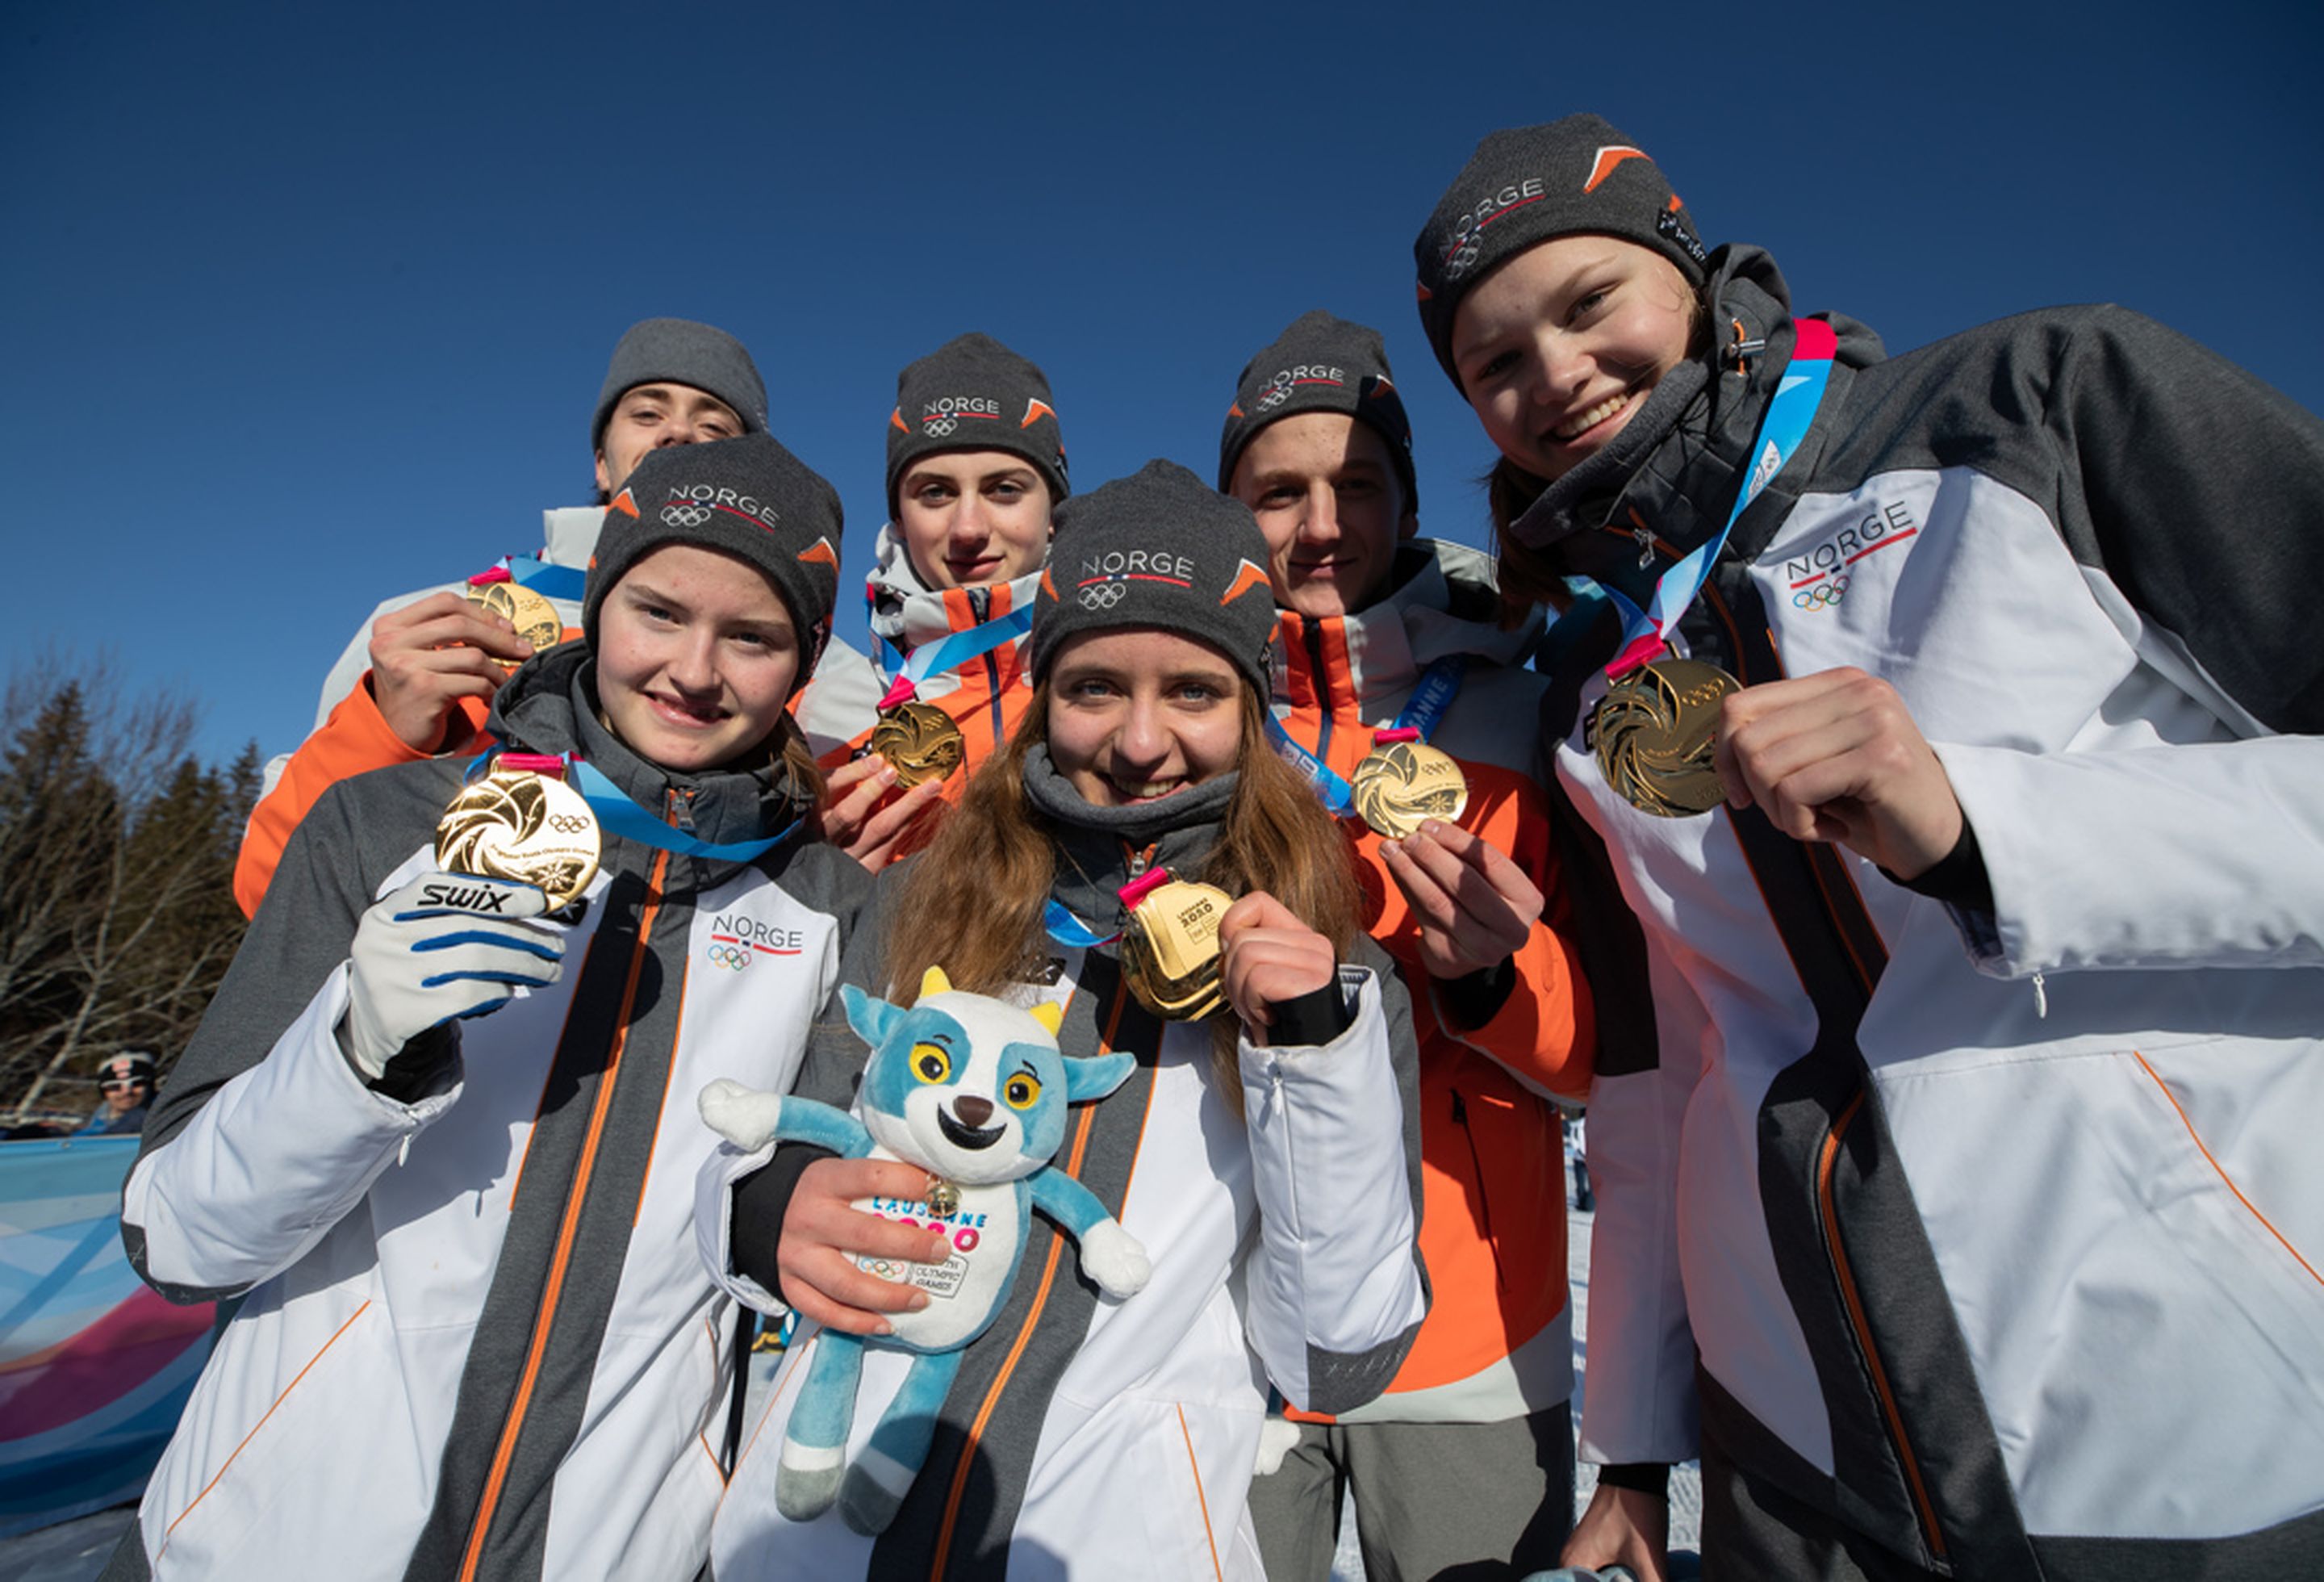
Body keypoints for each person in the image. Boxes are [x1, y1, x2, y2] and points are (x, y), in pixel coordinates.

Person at [1413, 113, 2324, 1579]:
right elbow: (1662, 1092)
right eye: (1495, 364)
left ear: (1698, 279)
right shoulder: (1598, 694)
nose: (1556, 378)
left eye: (1589, 306)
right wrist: (1637, 1452)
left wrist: (1986, 829)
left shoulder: (2039, 406)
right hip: (1809, 1474)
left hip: (2201, 1437)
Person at [110, 434, 873, 1579]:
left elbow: (777, 1233)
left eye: (754, 636)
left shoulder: (832, 908)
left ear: (802, 662)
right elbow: (177, 1239)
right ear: (600, 604)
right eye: (659, 611)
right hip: (274, 1543)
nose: (695, 671)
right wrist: (357, 1056)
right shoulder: (384, 823)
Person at [696, 460, 1430, 1578]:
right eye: (1093, 688)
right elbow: (747, 1164)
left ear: (1255, 707)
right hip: (816, 1539)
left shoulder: (1332, 980)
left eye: (1193, 691)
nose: (1140, 745)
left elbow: (1336, 1363)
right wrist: (764, 1209)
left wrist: (1312, 1053)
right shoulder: (915, 901)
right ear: (1043, 697)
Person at [1218, 310, 1595, 1580]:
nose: (1321, 523)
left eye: (1356, 485)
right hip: (1222, 1321)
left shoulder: (1522, 699)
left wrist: (1490, 976)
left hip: (1473, 1327)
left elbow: (1605, 1057)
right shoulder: (1182, 713)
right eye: (1279, 491)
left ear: (1408, 498)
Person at [234, 316, 880, 915]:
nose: (678, 434)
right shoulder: (427, 627)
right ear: (600, 462)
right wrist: (382, 736)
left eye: (714, 428)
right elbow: (274, 895)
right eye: (648, 411)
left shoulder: (828, 673)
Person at [817, 333, 1070, 870]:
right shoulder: (821, 704)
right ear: (900, 519)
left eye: (1005, 489)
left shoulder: (1123, 685)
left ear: (1053, 511)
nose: (969, 528)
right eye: (935, 492)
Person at [78, 1050, 157, 1135]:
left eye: (137, 1083)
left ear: (150, 1086)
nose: (127, 1091)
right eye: (115, 1086)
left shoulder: (163, 1119)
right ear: (104, 1092)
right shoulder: (96, 1122)